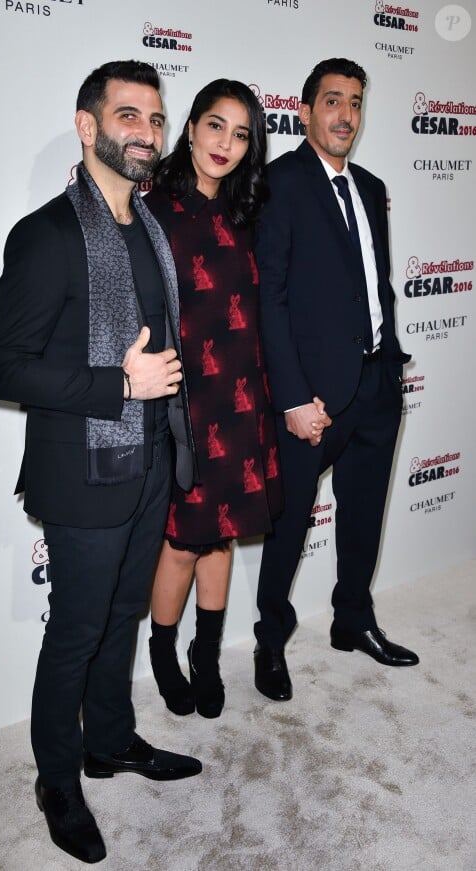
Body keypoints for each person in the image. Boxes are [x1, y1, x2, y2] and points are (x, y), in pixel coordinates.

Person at [0, 60, 202, 865]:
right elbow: (7, 369)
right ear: (89, 127)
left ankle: (110, 739)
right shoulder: (45, 234)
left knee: (122, 617)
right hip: (82, 469)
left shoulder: (150, 227)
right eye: (128, 116)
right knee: (74, 630)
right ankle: (57, 778)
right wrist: (121, 383)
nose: (147, 131)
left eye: (154, 116)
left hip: (148, 459)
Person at [253, 58, 419, 703]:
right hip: (313, 396)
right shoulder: (279, 184)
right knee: (290, 522)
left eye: (354, 103)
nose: (345, 115)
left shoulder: (372, 186)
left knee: (362, 517)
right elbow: (271, 299)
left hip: (378, 380)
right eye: (332, 102)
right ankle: (271, 637)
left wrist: (391, 359)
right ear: (304, 111)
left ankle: (353, 618)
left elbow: (369, 288)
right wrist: (292, 396)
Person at [145, 80, 283, 719]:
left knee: (222, 537)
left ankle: (206, 655)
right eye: (215, 126)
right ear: (191, 129)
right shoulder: (153, 212)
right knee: (181, 541)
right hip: (182, 402)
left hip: (240, 394)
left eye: (241, 133)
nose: (225, 143)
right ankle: (165, 652)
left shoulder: (248, 213)